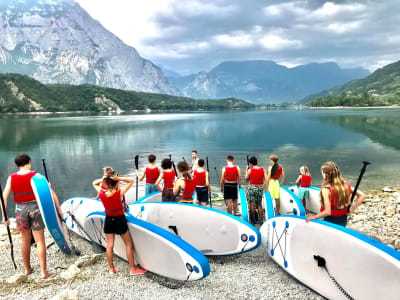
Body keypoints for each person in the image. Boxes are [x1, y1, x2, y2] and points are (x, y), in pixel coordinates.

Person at [1, 154, 62, 279]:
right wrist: (58, 209)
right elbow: (51, 193)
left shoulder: (11, 178)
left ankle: (27, 269)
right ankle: (44, 272)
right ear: (29, 162)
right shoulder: (37, 176)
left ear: (17, 165)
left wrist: (4, 217)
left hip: (20, 210)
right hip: (35, 209)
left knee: (25, 240)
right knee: (39, 240)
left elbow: (4, 198)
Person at [93, 171, 146, 275]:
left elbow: (94, 183)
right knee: (128, 244)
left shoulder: (101, 193)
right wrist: (118, 178)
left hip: (109, 219)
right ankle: (132, 269)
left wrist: (105, 178)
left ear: (106, 183)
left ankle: (111, 269)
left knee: (109, 245)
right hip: (119, 220)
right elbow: (131, 180)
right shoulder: (119, 193)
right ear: (116, 183)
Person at [306, 161, 366, 226]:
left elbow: (328, 212)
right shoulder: (346, 184)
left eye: (322, 172)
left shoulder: (326, 189)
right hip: (343, 219)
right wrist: (351, 210)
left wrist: (314, 217)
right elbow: (362, 196)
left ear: (325, 174)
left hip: (330, 220)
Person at [245, 156, 268, 224]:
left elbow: (246, 179)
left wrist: (246, 170)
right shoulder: (262, 169)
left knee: (252, 205)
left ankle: (254, 221)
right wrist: (265, 188)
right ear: (257, 162)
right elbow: (266, 180)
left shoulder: (250, 170)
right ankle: (261, 220)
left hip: (252, 188)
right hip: (259, 188)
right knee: (259, 204)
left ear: (251, 164)